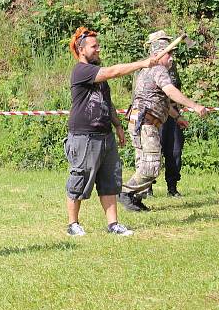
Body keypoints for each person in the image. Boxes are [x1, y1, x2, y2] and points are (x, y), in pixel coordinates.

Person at [64, 27, 163, 237]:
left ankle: (113, 224)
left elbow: (106, 103)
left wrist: (117, 126)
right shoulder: (81, 71)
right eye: (94, 46)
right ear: (82, 50)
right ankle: (73, 224)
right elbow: (114, 71)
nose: (98, 49)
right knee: (79, 178)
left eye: (98, 45)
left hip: (105, 135)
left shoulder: (97, 76)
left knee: (110, 181)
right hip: (83, 136)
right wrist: (143, 63)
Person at [118, 31, 208, 212]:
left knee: (146, 163)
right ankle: (125, 193)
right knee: (151, 166)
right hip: (145, 124)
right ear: (160, 53)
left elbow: (160, 101)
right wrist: (195, 106)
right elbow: (170, 93)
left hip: (140, 121)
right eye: (169, 54)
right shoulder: (158, 69)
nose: (172, 59)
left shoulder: (147, 70)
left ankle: (134, 199)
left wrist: (177, 117)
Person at [161, 62, 187, 197]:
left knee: (175, 151)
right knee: (152, 151)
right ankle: (146, 188)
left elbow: (176, 89)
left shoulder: (173, 67)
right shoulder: (146, 66)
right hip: (155, 114)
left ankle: (172, 187)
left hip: (173, 115)